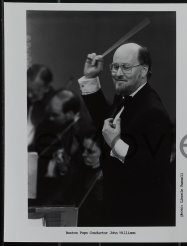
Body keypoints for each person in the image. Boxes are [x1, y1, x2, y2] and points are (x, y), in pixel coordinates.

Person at [78, 43, 174, 226]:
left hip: (143, 214)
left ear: (144, 70)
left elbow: (154, 169)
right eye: (115, 67)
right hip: (121, 207)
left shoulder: (153, 111)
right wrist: (90, 78)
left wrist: (115, 143)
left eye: (126, 67)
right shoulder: (127, 95)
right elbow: (106, 123)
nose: (118, 73)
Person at [32, 89, 84, 205]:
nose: (50, 118)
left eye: (55, 115)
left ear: (70, 114)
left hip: (61, 197)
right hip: (38, 187)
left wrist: (62, 168)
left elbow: (74, 176)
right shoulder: (45, 125)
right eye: (49, 112)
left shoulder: (81, 133)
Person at [27, 64, 55, 149]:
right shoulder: (26, 98)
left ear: (46, 88)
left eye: (34, 91)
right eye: (28, 89)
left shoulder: (53, 107)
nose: (29, 95)